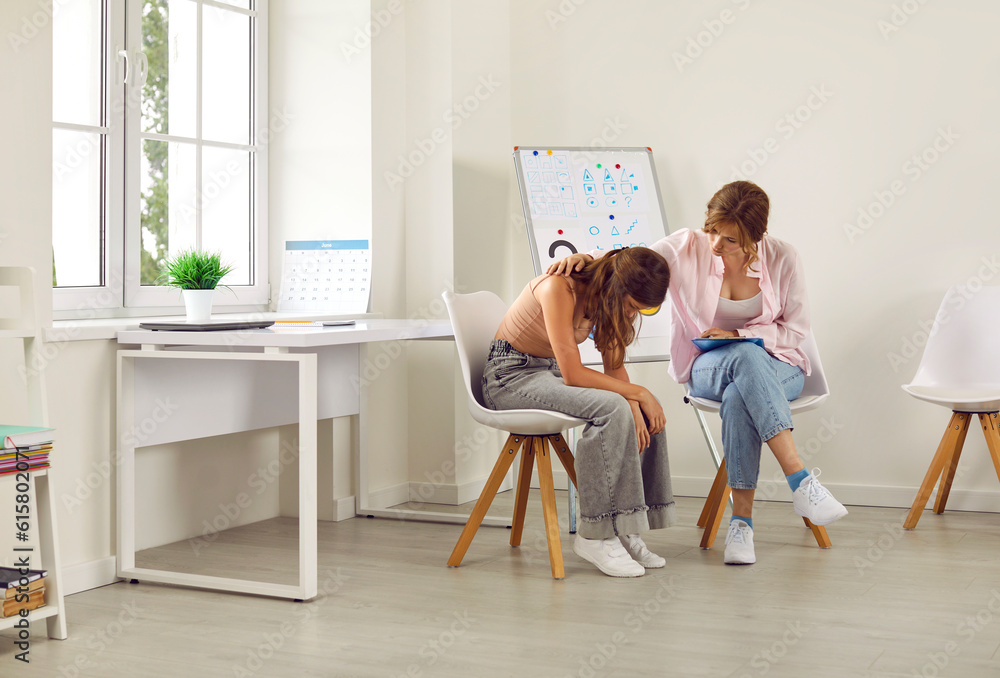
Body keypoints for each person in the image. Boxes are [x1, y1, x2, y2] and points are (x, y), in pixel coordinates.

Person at [549, 180, 847, 565]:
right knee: (743, 360)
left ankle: (741, 525)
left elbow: (796, 330)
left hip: (779, 366)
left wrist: (740, 333)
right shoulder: (687, 246)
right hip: (707, 366)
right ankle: (800, 481)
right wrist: (586, 258)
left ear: (756, 238)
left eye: (730, 240)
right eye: (713, 232)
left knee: (744, 383)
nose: (716, 246)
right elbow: (629, 263)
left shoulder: (784, 258)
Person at [482, 247, 676, 577]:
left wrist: (637, 401)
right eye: (631, 307)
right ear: (617, 289)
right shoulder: (559, 287)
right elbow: (573, 373)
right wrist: (636, 393)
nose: (631, 316)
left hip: (547, 372)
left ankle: (625, 524)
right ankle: (594, 534)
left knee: (640, 409)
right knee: (620, 404)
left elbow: (614, 370)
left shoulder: (606, 296)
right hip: (508, 376)